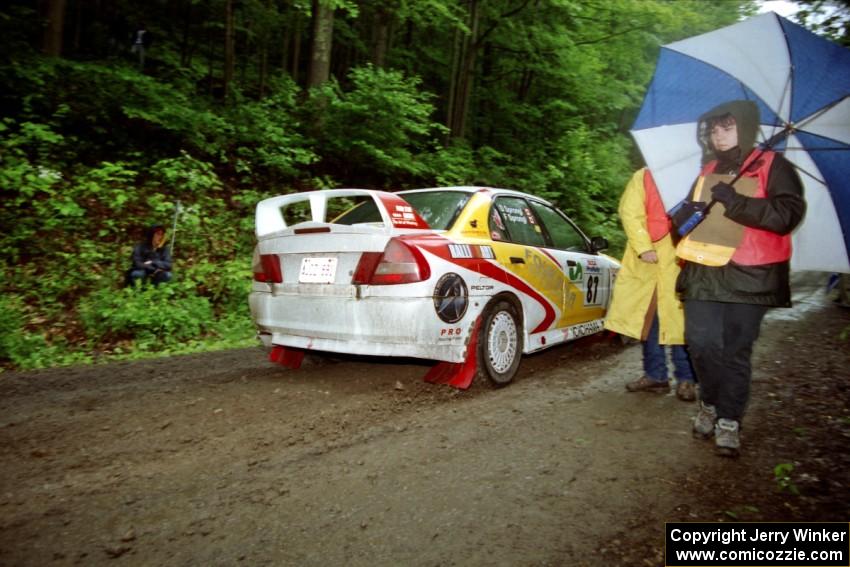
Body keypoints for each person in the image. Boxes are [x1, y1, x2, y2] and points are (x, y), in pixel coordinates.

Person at [677, 100, 806, 458]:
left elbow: (787, 214)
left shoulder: (774, 165)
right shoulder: (710, 168)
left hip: (752, 275)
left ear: (746, 128)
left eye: (728, 127)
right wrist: (685, 215)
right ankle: (709, 399)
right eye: (715, 128)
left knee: (735, 351)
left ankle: (728, 419)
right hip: (705, 269)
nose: (719, 135)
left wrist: (735, 201)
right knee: (701, 343)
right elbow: (691, 214)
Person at [605, 167, 696, 401]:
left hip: (682, 255)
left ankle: (686, 379)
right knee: (648, 318)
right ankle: (656, 375)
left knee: (681, 321)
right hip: (648, 259)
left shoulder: (695, 173)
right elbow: (629, 212)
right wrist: (643, 247)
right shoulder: (643, 176)